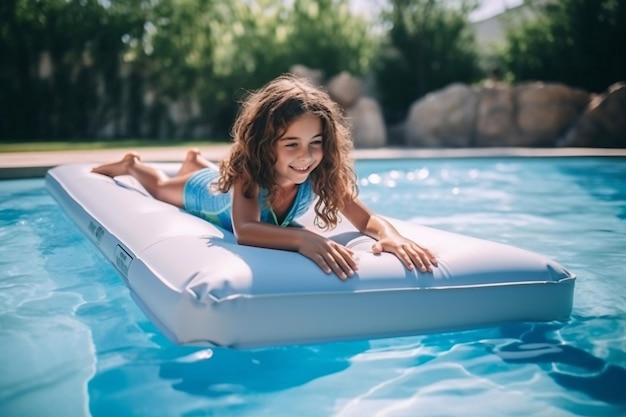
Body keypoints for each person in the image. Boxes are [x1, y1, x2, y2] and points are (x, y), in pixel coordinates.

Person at [92, 74, 438, 280]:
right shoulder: (250, 172)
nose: (306, 157)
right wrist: (304, 240)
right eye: (291, 144)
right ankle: (132, 165)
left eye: (315, 144)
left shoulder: (319, 175)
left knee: (202, 175)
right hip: (203, 195)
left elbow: (367, 219)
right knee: (158, 187)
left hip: (218, 186)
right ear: (265, 144)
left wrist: (390, 235)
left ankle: (194, 161)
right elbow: (245, 230)